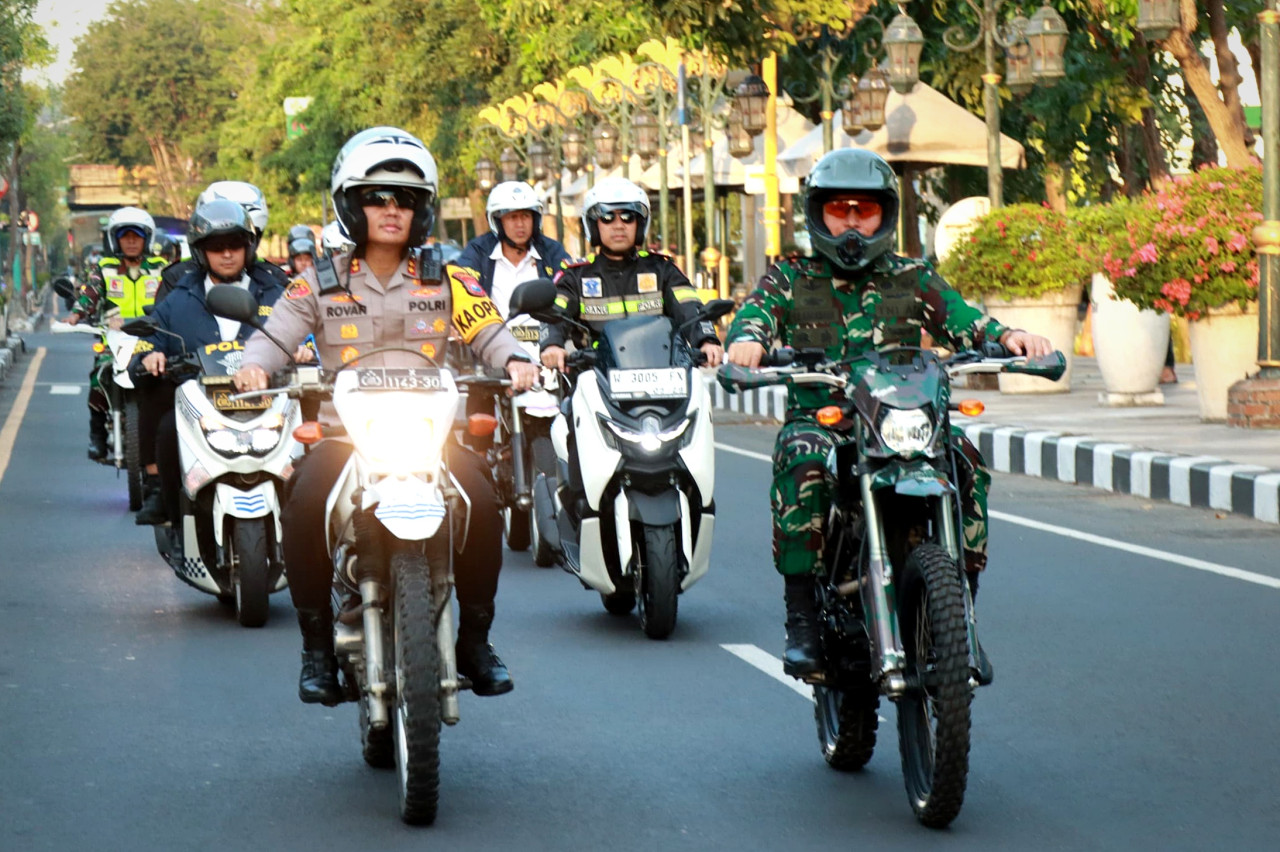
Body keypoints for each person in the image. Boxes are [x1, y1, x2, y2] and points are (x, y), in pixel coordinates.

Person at [232, 127, 539, 705]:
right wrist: (253, 368)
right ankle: (316, 649)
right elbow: (271, 338)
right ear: (351, 204)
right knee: (302, 501)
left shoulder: (450, 277)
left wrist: (517, 360)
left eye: (405, 199)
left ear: (422, 209)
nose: (391, 210)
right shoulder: (316, 281)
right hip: (347, 438)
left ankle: (475, 641)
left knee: (482, 497)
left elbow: (489, 330)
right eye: (377, 197)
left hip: (432, 438)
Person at [723, 148, 1053, 685]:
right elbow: (754, 319)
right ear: (817, 213)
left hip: (904, 421)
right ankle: (802, 618)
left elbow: (965, 320)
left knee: (966, 458)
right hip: (826, 420)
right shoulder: (791, 276)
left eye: (865, 210)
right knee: (801, 462)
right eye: (839, 209)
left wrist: (1009, 338)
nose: (852, 221)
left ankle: (959, 617)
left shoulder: (912, 276)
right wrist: (746, 344)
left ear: (885, 215)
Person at [131, 199, 287, 533]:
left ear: (249, 246)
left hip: (272, 402)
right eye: (217, 247)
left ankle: (312, 534)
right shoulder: (180, 297)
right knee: (167, 431)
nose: (227, 253)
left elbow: (309, 332)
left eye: (235, 244)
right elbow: (150, 338)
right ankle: (178, 521)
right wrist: (149, 356)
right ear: (201, 251)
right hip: (203, 407)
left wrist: (303, 350)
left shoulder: (277, 292)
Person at [64, 207, 167, 462]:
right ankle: (97, 435)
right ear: (115, 239)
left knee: (171, 379)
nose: (131, 241)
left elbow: (176, 297)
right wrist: (76, 314)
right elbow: (90, 293)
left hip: (152, 340)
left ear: (147, 239)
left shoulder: (160, 269)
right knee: (99, 375)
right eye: (124, 235)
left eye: (137, 235)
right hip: (114, 340)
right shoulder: (105, 268)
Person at [157, 181, 288, 302]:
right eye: (216, 244)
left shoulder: (273, 279)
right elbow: (160, 322)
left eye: (237, 242)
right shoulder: (178, 277)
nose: (227, 253)